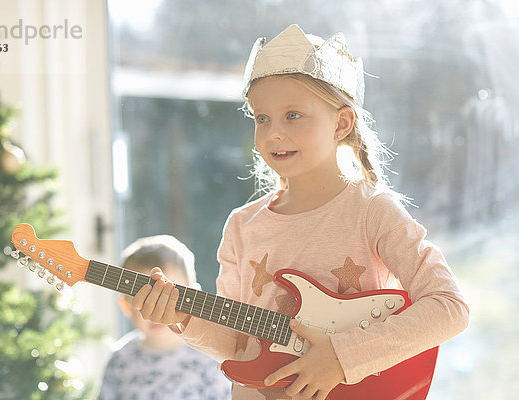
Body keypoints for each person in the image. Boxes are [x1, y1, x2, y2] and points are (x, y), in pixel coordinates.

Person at [131, 24, 470, 400]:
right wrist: (183, 316)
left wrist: (342, 358)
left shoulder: (372, 211)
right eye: (262, 118)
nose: (274, 132)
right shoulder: (242, 227)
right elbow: (237, 344)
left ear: (341, 123)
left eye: (293, 115)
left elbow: (449, 307)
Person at [99, 235, 231, 400]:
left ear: (195, 299)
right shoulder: (120, 359)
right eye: (143, 300)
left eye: (169, 298)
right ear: (126, 306)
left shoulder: (211, 359)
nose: (158, 311)